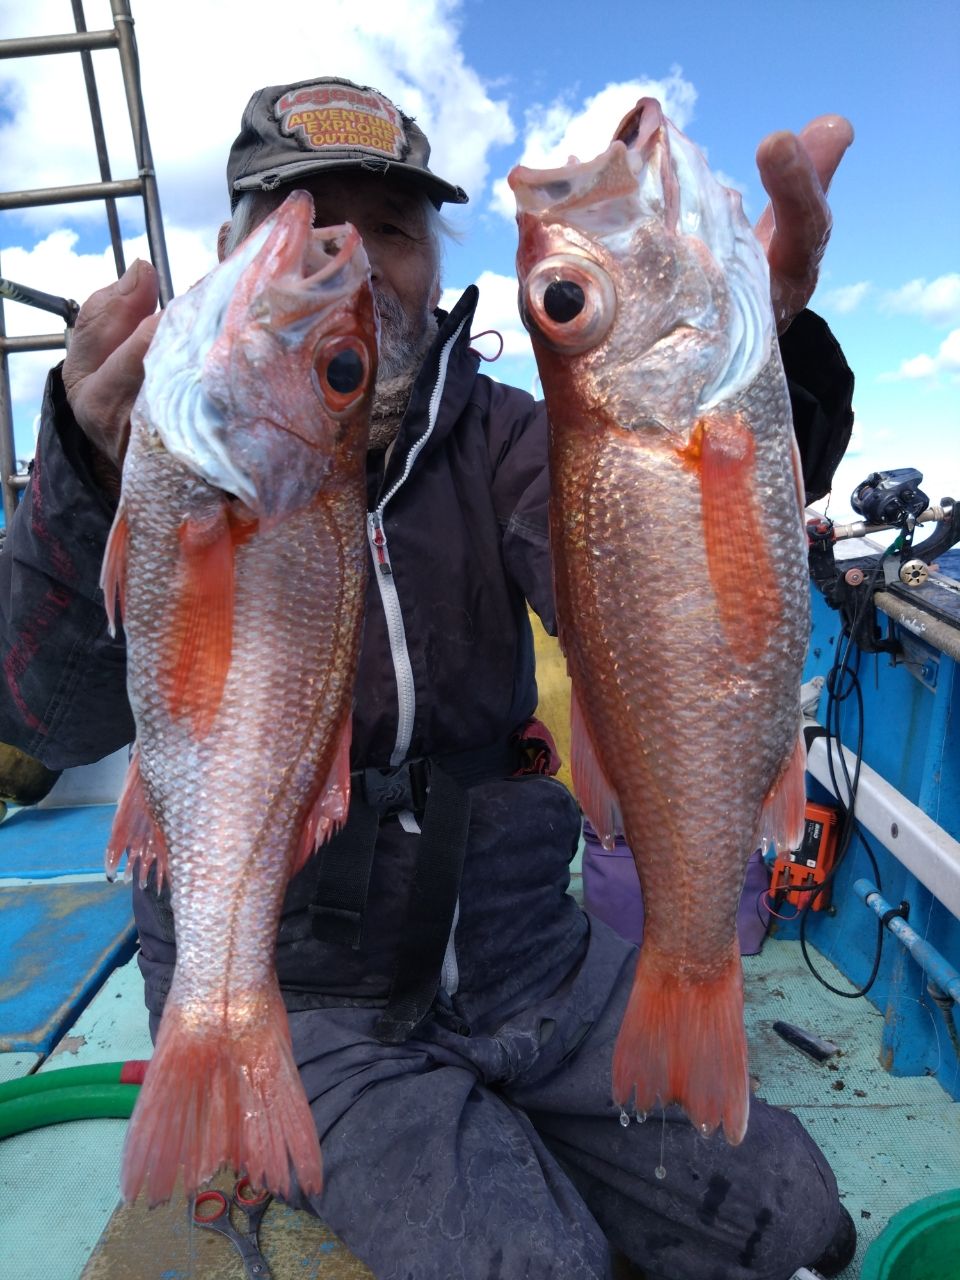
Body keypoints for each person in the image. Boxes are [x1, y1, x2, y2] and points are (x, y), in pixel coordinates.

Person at [0, 77, 858, 1280]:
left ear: (431, 258)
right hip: (311, 996)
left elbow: (673, 597)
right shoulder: (157, 457)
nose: (352, 256)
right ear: (230, 253)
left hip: (524, 950)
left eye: (392, 230)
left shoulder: (517, 432)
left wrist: (764, 358)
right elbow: (50, 714)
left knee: (795, 1218)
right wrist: (81, 485)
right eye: (306, 215)